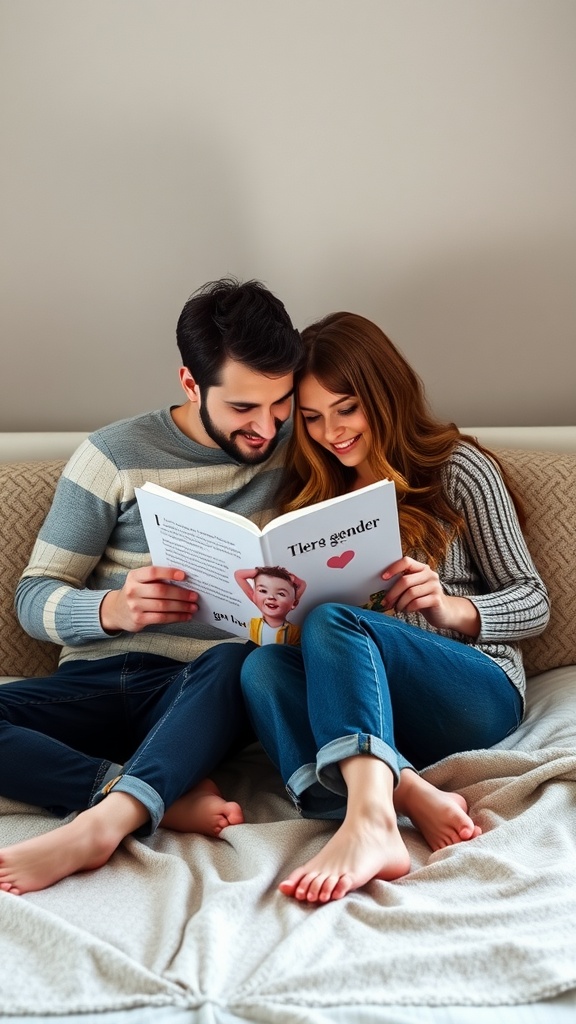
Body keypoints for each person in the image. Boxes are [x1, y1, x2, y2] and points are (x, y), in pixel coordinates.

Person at [0, 277, 304, 896]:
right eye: (243, 408)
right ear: (191, 384)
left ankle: (105, 823)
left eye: (280, 405)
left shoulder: (304, 451)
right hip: (98, 681)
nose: (266, 429)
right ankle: (127, 789)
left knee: (232, 663)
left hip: (206, 694)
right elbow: (33, 597)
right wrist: (113, 608)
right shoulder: (113, 456)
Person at [240, 311, 550, 904]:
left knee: (338, 620)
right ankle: (403, 793)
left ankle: (369, 822)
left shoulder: (457, 469)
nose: (332, 433)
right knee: (257, 669)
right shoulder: (310, 502)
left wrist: (450, 608)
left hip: (470, 690)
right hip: (369, 711)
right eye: (312, 418)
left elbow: (534, 601)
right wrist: (276, 620)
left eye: (346, 408)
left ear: (383, 394)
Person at [234, 566, 305, 645]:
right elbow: (238, 575)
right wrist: (261, 571)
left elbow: (302, 584)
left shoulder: (294, 632)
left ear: (294, 604)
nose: (271, 597)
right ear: (254, 596)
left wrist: (294, 578)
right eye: (263, 591)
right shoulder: (254, 623)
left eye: (281, 594)